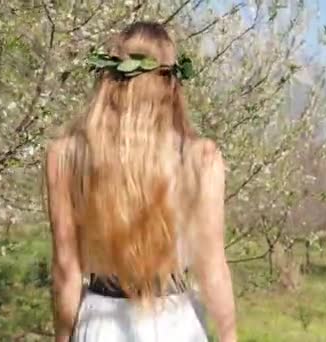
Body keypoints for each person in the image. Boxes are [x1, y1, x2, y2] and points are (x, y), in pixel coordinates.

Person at [44, 21, 237, 342]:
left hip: (101, 324)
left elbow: (66, 271)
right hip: (177, 325)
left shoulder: (65, 155)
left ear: (109, 80)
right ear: (172, 84)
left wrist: (64, 338)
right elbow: (213, 267)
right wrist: (230, 337)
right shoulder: (201, 157)